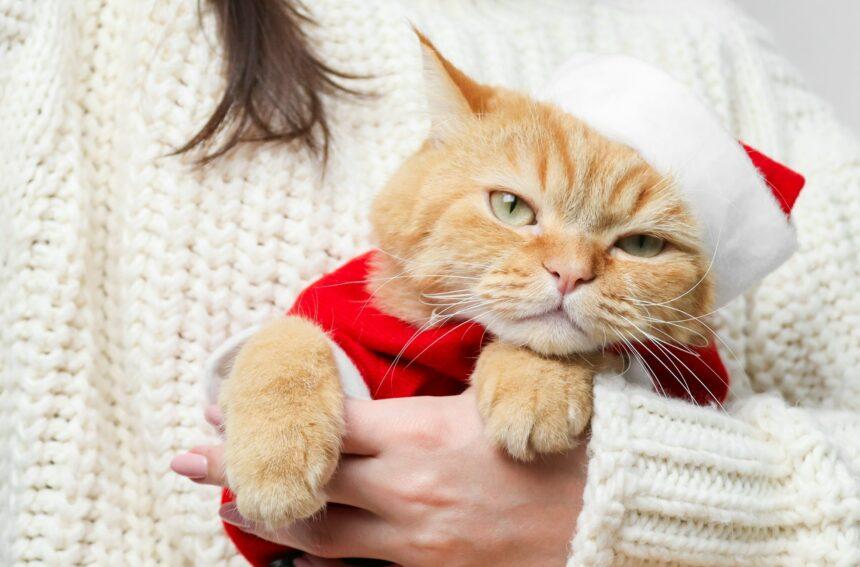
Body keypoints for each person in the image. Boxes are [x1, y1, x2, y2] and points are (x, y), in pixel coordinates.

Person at [4, 0, 858, 565]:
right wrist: (284, 374)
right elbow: (333, 330)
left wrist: (659, 494)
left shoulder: (713, 40)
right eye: (517, 207)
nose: (570, 268)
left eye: (638, 239)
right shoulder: (71, 27)